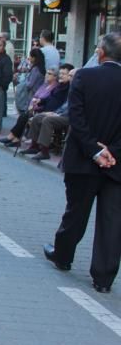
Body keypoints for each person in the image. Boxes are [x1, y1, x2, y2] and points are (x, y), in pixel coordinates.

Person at [43, 33, 121, 294]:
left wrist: (94, 151)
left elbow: (76, 117)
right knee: (112, 220)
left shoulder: (85, 77)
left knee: (76, 211)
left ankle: (63, 256)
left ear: (100, 53)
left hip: (83, 159)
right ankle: (103, 277)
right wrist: (112, 150)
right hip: (116, 162)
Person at [20, 65, 75, 160]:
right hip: (58, 112)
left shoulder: (73, 89)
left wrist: (56, 113)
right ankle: (34, 146)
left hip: (68, 116)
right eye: (60, 73)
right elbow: (54, 100)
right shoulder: (61, 86)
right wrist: (41, 101)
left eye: (65, 74)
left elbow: (69, 106)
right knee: (37, 117)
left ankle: (44, 151)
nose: (60, 76)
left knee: (47, 120)